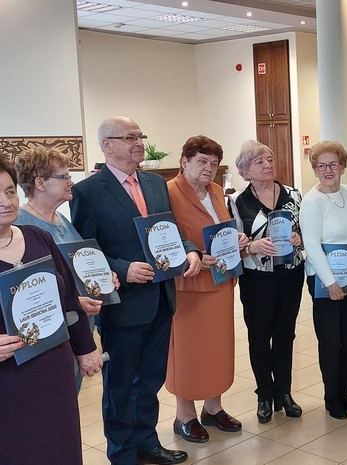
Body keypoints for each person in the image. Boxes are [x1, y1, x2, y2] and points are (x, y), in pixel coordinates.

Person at [71, 116, 203, 465]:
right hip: (123, 304)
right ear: (107, 145)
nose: (139, 143)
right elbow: (84, 251)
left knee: (150, 379)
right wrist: (121, 268)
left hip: (161, 298)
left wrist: (189, 250)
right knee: (121, 383)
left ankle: (147, 442)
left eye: (140, 136)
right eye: (129, 137)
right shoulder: (88, 191)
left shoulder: (155, 183)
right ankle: (123, 453)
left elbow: (170, 229)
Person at [0, 158, 102, 465]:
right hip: (8, 378)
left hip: (54, 369)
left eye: (9, 191)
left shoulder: (37, 237)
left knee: (59, 446)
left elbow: (68, 298)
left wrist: (85, 349)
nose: (6, 202)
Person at [14, 146, 119, 391]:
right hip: (47, 338)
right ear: (40, 183)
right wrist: (73, 301)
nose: (71, 181)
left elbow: (77, 269)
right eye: (64, 176)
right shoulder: (20, 226)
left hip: (77, 329)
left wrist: (104, 276)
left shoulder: (61, 220)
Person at [166, 135, 246, 442]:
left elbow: (220, 230)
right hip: (189, 287)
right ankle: (184, 415)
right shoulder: (169, 192)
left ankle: (213, 409)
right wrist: (196, 254)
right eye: (202, 161)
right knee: (188, 353)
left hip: (221, 283)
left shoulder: (215, 191)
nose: (208, 168)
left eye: (213, 163)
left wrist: (236, 240)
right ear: (184, 161)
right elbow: (164, 239)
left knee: (218, 349)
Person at [229, 140, 305, 424]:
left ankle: (284, 392)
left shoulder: (293, 195)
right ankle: (264, 394)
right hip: (257, 277)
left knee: (286, 334)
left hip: (291, 272)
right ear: (245, 171)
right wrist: (252, 246)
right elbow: (232, 245)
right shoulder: (236, 202)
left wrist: (300, 238)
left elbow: (307, 232)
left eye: (270, 159)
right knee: (259, 336)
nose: (267, 165)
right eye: (259, 161)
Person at [299, 141, 347, 420]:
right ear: (315, 169)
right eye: (321, 165)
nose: (328, 170)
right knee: (331, 341)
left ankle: (345, 392)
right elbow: (312, 246)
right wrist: (330, 283)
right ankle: (332, 398)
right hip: (324, 280)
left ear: (343, 166)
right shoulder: (312, 201)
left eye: (333, 164)